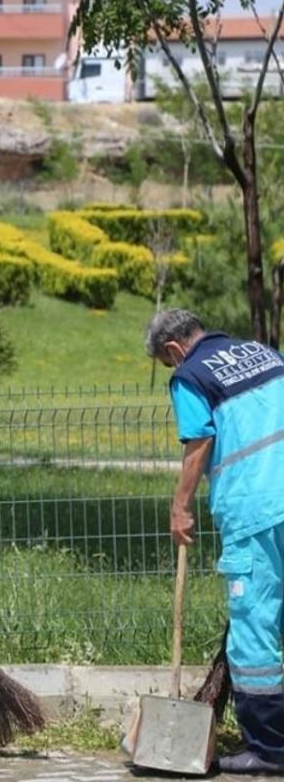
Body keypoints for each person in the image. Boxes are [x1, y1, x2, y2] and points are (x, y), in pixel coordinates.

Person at [147, 309, 284, 774]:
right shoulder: (265, 353)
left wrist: (180, 506)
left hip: (255, 511)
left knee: (254, 629)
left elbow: (199, 441)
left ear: (173, 350)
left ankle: (268, 750)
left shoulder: (190, 376)